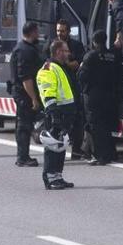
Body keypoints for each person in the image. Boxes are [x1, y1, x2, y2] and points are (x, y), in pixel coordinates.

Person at [79, 30, 123, 165]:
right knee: (107, 125)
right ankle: (111, 153)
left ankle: (100, 156)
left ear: (93, 42)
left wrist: (80, 68)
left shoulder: (90, 56)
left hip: (94, 95)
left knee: (96, 126)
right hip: (110, 94)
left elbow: (82, 77)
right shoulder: (112, 55)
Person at [37, 39, 77, 190]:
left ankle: (58, 176)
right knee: (52, 146)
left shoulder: (60, 67)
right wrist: (54, 116)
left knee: (60, 146)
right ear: (59, 52)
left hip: (64, 114)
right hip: (56, 113)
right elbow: (48, 92)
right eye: (66, 51)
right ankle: (50, 177)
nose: (68, 53)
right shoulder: (48, 68)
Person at [46, 19, 88, 160]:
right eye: (58, 30)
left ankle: (76, 150)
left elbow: (79, 63)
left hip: (73, 87)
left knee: (77, 121)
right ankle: (56, 152)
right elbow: (48, 64)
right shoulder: (51, 45)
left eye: (62, 31)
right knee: (57, 124)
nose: (59, 33)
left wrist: (66, 63)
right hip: (57, 93)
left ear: (69, 31)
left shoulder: (76, 45)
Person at [10, 21, 42, 168]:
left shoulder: (22, 48)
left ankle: (23, 155)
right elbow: (26, 78)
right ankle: (22, 157)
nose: (39, 34)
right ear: (32, 32)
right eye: (37, 31)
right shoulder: (25, 51)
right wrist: (34, 98)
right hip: (24, 94)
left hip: (21, 93)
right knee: (24, 125)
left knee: (23, 124)